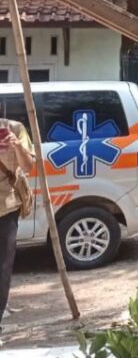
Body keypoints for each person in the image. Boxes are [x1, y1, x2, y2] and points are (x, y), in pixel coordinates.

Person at [0, 118, 33, 344]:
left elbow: (29, 166)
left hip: (5, 207)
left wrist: (17, 146)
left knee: (2, 269)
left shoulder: (15, 128)